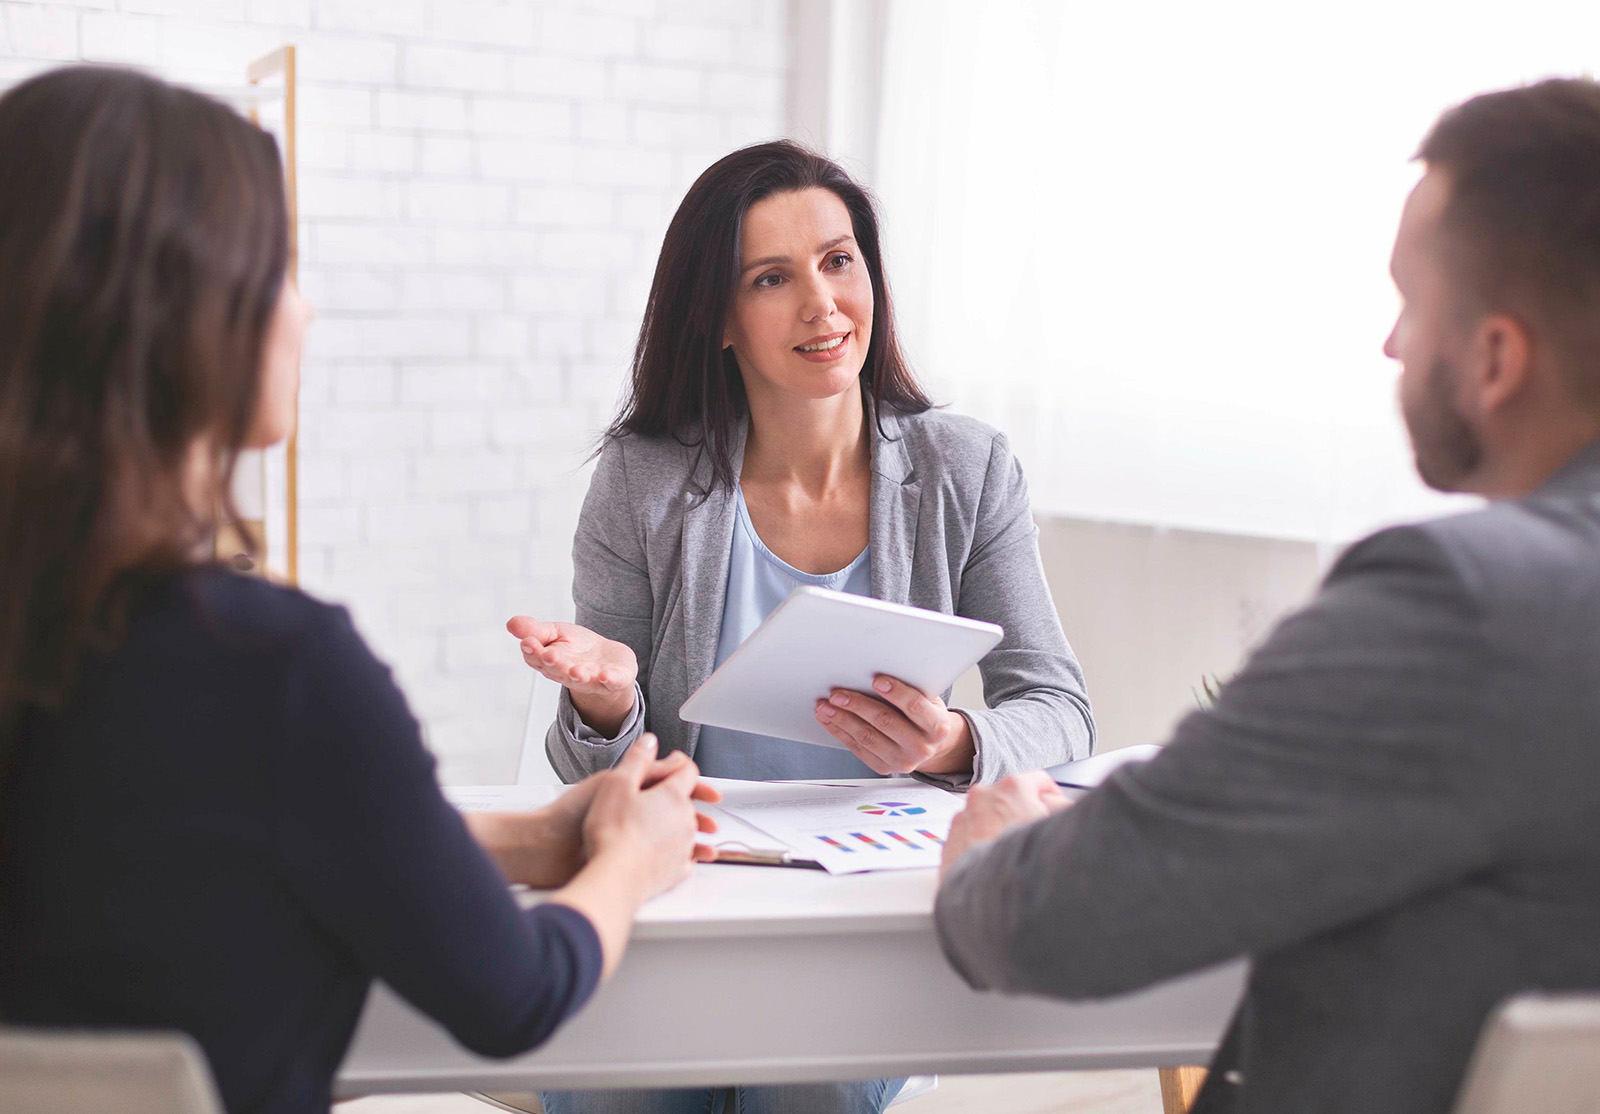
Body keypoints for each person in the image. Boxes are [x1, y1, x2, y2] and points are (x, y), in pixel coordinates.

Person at [0, 66, 717, 1114]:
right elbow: (512, 996)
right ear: (189, 318)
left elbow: (182, 834)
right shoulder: (270, 670)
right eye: (280, 268)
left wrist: (531, 837)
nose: (308, 304)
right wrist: (627, 860)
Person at [932, 78, 1600, 1114]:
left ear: (1496, 356)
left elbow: (1057, 921)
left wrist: (995, 847)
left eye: (1410, 303)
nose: (1390, 344)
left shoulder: (1457, 605)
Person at [509, 141, 1094, 1113]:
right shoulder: (642, 478)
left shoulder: (967, 469)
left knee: (803, 1081)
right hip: (680, 892)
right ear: (721, 320)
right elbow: (593, 776)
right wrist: (606, 700)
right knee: (628, 1094)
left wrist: (954, 742)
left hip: (860, 911)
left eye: (838, 260)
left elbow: (1058, 705)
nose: (822, 304)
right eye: (771, 278)